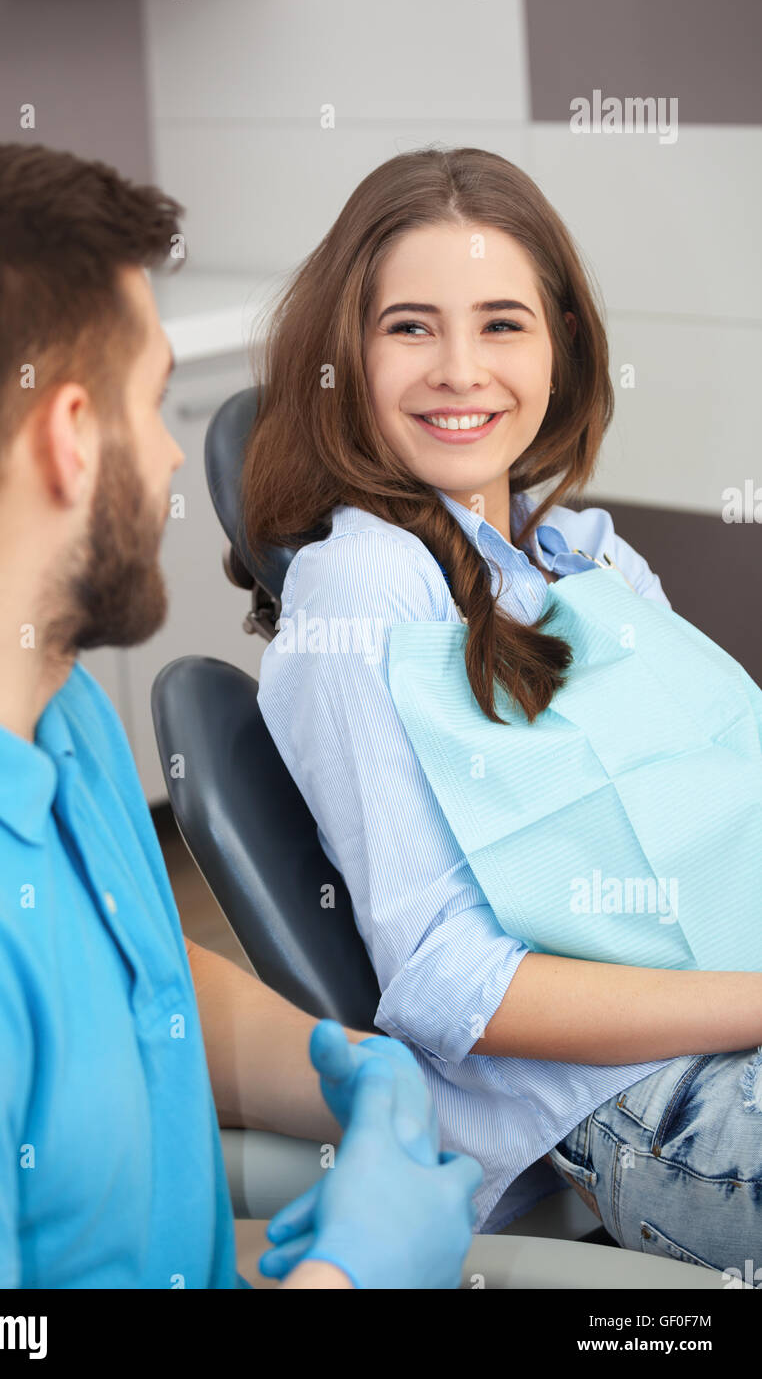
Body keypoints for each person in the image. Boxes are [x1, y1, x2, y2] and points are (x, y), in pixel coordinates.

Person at [0, 138, 483, 1290]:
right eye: (152, 401)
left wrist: (353, 1073)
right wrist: (344, 1281)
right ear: (69, 437)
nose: (173, 455)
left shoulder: (48, 703)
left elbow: (148, 986)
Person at [246, 145, 762, 1270]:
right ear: (343, 353)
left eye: (500, 323)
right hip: (632, 1101)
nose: (459, 370)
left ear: (560, 344)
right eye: (409, 327)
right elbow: (446, 983)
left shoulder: (578, 551)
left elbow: (715, 792)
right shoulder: (364, 589)